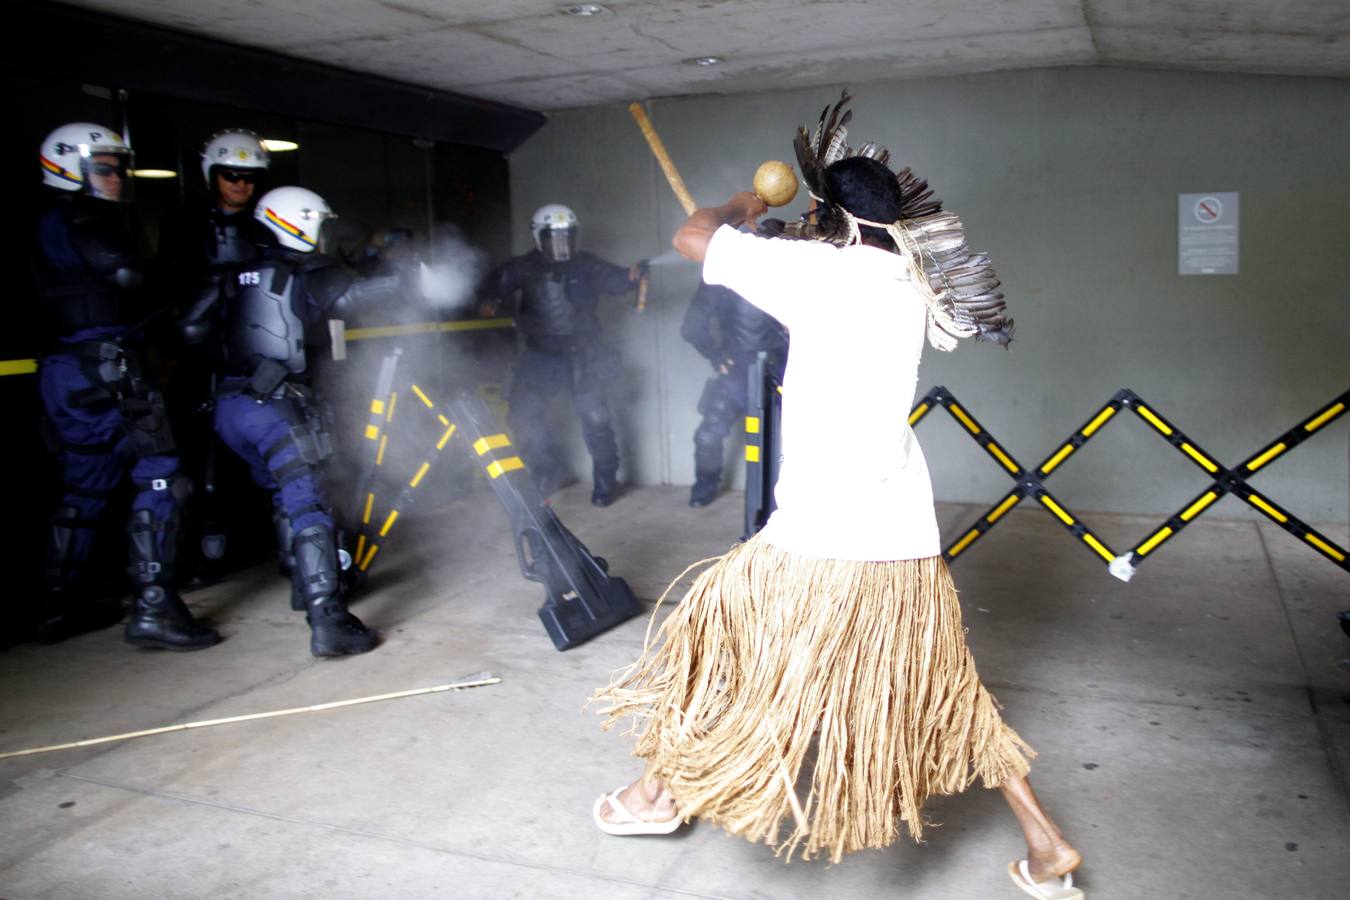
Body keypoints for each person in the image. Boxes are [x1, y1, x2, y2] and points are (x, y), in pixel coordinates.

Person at [593, 95, 1083, 899]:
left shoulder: (817, 272)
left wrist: (748, 206)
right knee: (947, 692)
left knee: (709, 645)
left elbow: (692, 236)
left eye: (819, 213)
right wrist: (796, 230)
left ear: (829, 215)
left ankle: (654, 796)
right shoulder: (910, 281)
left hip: (818, 541)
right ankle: (1045, 841)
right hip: (905, 544)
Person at [180, 186, 398, 657]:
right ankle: (328, 618)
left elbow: (192, 328)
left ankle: (303, 585)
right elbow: (359, 297)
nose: (321, 235)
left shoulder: (235, 270)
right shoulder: (307, 273)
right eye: (316, 224)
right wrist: (411, 276)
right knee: (308, 503)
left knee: (283, 496)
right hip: (277, 408)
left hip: (232, 408)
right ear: (295, 223)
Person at [32, 122, 220, 650]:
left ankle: (55, 606)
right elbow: (124, 275)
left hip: (64, 369)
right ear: (72, 169)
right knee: (163, 474)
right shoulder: (85, 216)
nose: (117, 177)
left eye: (119, 168)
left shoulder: (44, 223)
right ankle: (155, 605)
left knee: (84, 484)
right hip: (106, 366)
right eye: (106, 168)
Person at [479, 204, 645, 507]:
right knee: (523, 413)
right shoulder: (522, 267)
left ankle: (606, 480)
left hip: (585, 355)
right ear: (538, 238)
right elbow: (490, 286)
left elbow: (617, 279)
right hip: (541, 357)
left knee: (595, 417)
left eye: (567, 237)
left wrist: (633, 275)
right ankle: (548, 471)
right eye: (553, 238)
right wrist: (490, 300)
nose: (561, 245)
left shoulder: (586, 264)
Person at [680, 280, 787, 506]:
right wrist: (716, 355)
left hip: (781, 371)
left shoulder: (784, 271)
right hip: (738, 371)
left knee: (782, 441)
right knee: (709, 435)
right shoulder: (724, 274)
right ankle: (705, 487)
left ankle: (777, 501)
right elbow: (692, 326)